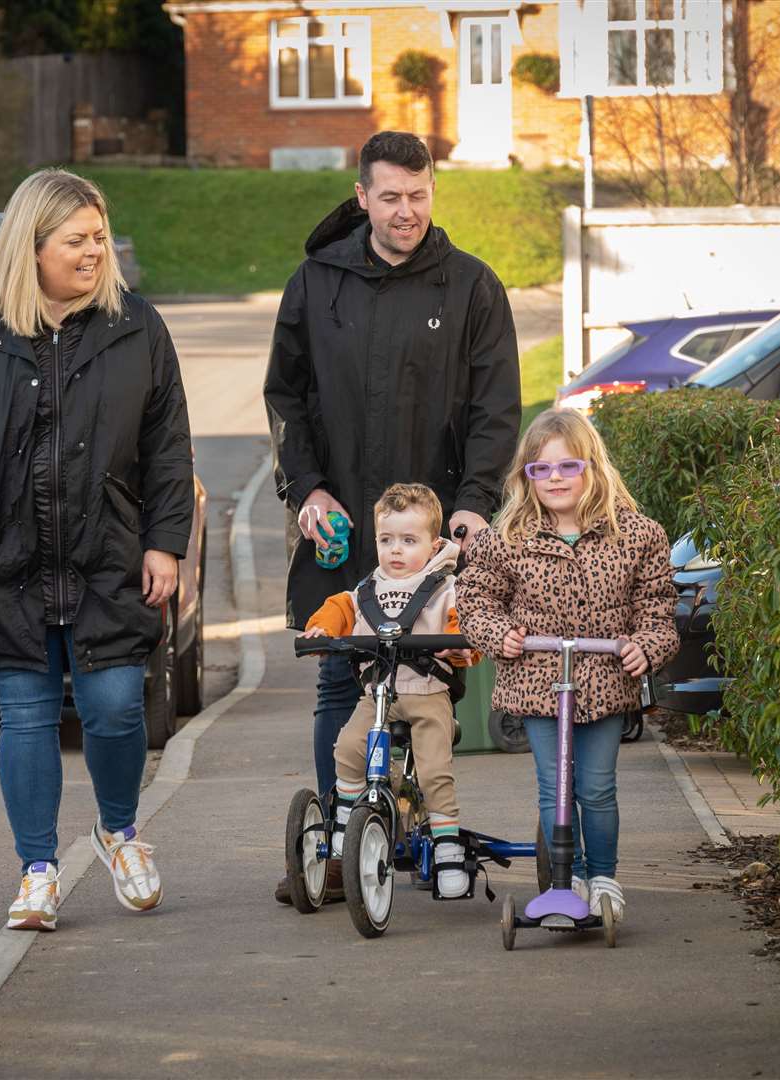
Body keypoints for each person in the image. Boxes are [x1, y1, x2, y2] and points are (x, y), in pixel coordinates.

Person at [0, 169, 193, 932]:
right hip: (4, 555)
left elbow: (167, 449)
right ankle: (37, 870)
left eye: (99, 237)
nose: (94, 252)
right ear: (31, 248)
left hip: (107, 554)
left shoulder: (137, 327)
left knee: (116, 708)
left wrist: (166, 544)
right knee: (25, 718)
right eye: (76, 240)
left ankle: (118, 833)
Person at [263, 131, 520, 899]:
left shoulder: (471, 287)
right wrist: (306, 487)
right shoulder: (315, 284)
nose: (406, 211)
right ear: (361, 199)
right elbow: (286, 397)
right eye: (390, 197)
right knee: (339, 684)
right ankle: (341, 853)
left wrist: (473, 507)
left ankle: (418, 827)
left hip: (432, 538)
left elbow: (494, 411)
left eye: (418, 195)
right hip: (343, 530)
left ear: (431, 191)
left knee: (428, 688)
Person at [455, 409, 677, 924]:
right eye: (541, 469)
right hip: (535, 680)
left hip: (604, 679)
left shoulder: (636, 535)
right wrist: (499, 634)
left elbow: (657, 609)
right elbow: (475, 599)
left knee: (596, 786)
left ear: (592, 468)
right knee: (554, 784)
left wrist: (645, 646)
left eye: (567, 466)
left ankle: (603, 877)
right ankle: (567, 876)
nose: (554, 478)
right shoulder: (508, 536)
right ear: (526, 476)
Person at [301, 484, 478, 898]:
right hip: (379, 696)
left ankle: (448, 846)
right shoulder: (367, 590)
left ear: (434, 545)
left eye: (408, 541)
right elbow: (340, 607)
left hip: (429, 693)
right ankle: (345, 825)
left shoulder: (446, 589)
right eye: (386, 540)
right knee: (347, 749)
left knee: (435, 769)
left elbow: (463, 623)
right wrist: (322, 629)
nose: (395, 550)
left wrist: (457, 641)